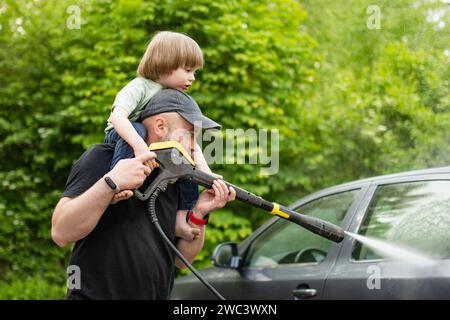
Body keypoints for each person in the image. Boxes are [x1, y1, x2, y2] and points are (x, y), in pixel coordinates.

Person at [51, 88, 236, 299]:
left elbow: (183, 260)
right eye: (191, 136)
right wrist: (112, 182)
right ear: (160, 126)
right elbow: (60, 233)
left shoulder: (179, 179)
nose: (194, 148)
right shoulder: (102, 157)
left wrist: (199, 213)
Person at [104, 31, 210, 241]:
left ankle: (180, 219)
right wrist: (139, 146)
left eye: (195, 72)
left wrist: (207, 175)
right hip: (123, 137)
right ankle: (119, 181)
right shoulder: (139, 86)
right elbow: (118, 117)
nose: (192, 78)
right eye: (188, 70)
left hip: (151, 145)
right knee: (139, 129)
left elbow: (191, 142)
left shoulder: (176, 97)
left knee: (184, 163)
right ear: (166, 63)